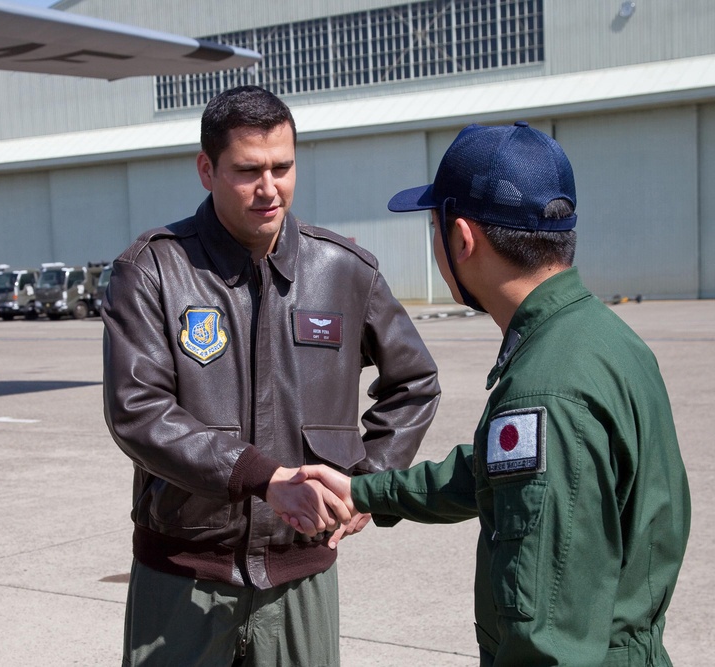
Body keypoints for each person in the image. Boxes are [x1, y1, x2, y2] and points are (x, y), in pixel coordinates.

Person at [293, 121, 692, 665]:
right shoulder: (600, 338)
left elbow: (547, 638)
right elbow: (497, 472)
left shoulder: (545, 392)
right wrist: (365, 492)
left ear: (461, 237)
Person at [101, 85, 441, 665]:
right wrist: (262, 477)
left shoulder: (344, 271)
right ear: (206, 169)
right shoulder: (153, 270)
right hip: (182, 575)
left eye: (282, 168)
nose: (269, 188)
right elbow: (138, 411)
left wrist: (369, 485)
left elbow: (414, 382)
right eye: (248, 170)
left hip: (300, 577)